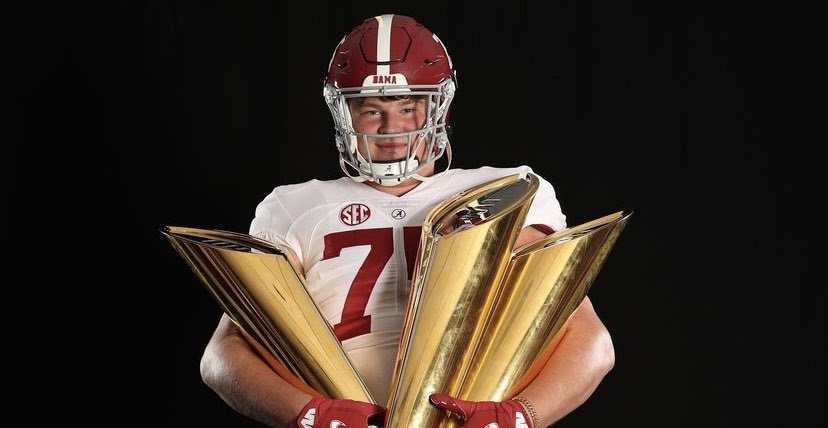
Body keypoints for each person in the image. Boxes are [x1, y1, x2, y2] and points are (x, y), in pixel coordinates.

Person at [199, 13, 615, 428]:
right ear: (343, 113)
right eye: (371, 109)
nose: (392, 129)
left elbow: (590, 340)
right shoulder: (293, 206)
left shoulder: (507, 190)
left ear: (439, 105)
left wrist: (517, 417)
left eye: (408, 106)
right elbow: (223, 353)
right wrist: (309, 414)